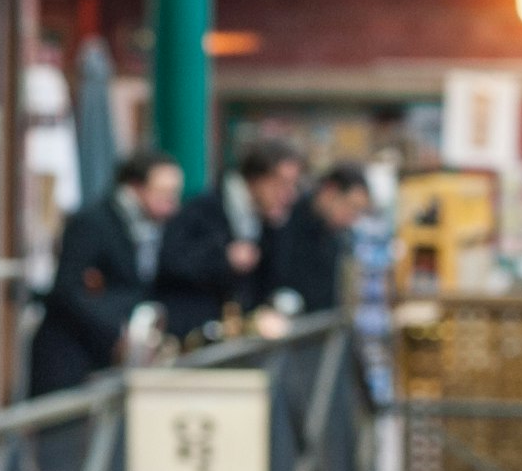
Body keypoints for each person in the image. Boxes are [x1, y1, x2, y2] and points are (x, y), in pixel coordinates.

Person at [28, 151, 179, 395]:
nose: (171, 203)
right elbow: (68, 289)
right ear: (136, 187)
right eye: (163, 193)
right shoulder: (94, 222)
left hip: (107, 361)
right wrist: (119, 331)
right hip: (70, 359)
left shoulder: (150, 230)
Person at [156, 141, 300, 338]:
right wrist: (223, 258)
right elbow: (171, 263)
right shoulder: (203, 209)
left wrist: (277, 229)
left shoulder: (269, 221)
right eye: (281, 183)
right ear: (256, 178)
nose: (288, 194)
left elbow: (274, 278)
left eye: (293, 185)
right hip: (195, 334)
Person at [267, 160, 372, 319]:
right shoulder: (285, 220)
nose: (352, 218)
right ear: (330, 191)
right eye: (351, 206)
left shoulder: (337, 237)